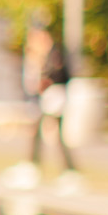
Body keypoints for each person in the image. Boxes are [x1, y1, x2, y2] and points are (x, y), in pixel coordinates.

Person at [23, 17, 77, 174]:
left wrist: (47, 81)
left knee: (54, 135)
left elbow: (61, 74)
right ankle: (34, 165)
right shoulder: (39, 52)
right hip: (43, 98)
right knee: (38, 132)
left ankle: (69, 170)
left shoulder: (54, 53)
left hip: (52, 97)